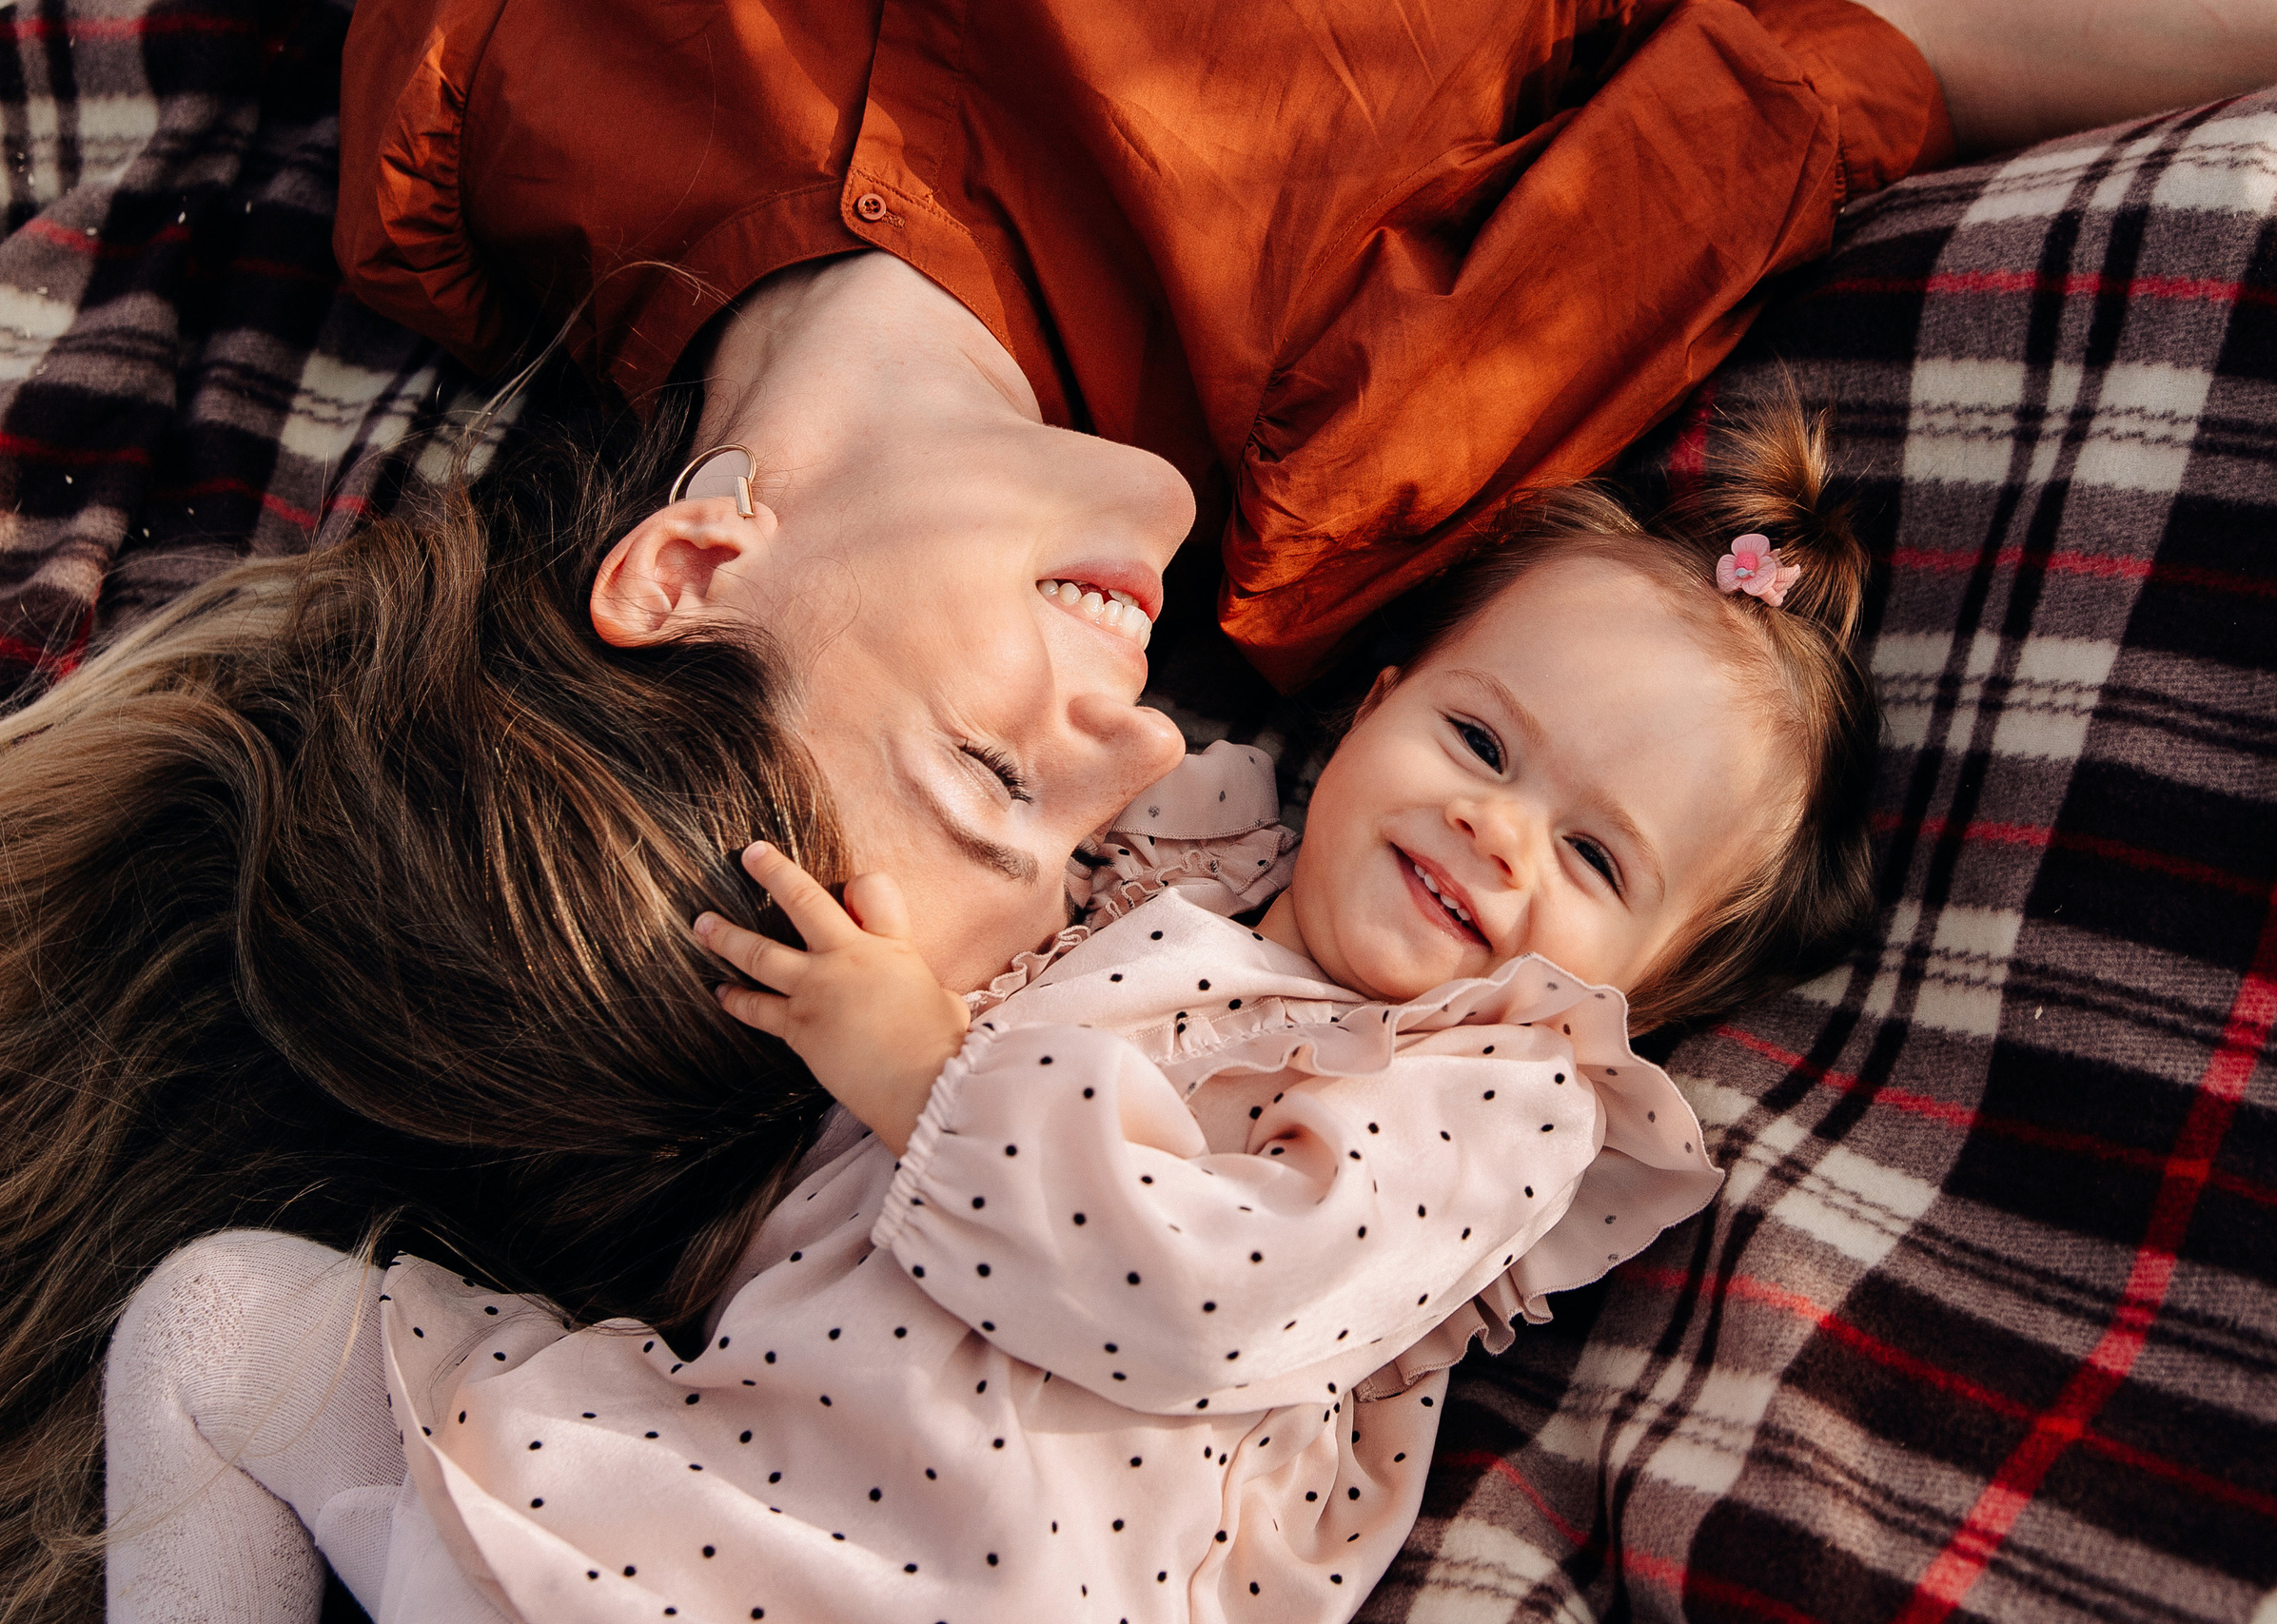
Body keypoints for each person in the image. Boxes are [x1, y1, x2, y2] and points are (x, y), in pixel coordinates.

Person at [104, 408, 1875, 1622]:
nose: (1496, 829)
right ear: (1374, 709)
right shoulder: (1173, 849)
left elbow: (1212, 1296)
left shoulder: (1491, 1099)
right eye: (1480, 741)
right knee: (217, 1326)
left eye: (1593, 857)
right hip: (687, 1479)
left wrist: (918, 1067)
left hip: (975, 1578)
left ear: (1640, 992)